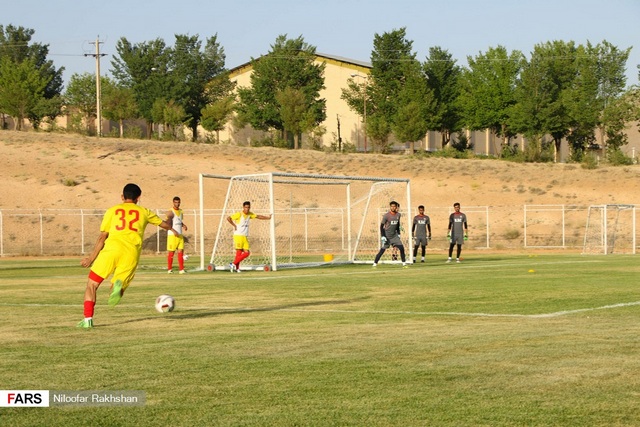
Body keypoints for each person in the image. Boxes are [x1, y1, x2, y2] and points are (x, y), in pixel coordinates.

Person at [77, 183, 179, 329]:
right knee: (118, 285)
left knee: (92, 284)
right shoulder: (144, 211)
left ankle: (87, 319)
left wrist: (90, 259)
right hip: (131, 253)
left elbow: (102, 237)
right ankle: (117, 287)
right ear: (138, 198)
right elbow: (166, 226)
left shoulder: (112, 211)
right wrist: (169, 217)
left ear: (122, 197)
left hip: (111, 251)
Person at [226, 201, 272, 272]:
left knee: (246, 253)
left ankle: (234, 265)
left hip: (244, 236)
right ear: (243, 207)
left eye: (248, 207)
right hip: (238, 235)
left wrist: (268, 218)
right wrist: (234, 225)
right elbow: (228, 218)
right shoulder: (239, 214)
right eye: (246, 207)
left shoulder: (250, 214)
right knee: (239, 253)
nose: (247, 209)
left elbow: (258, 216)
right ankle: (236, 267)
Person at [372, 201, 408, 268]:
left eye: (394, 206)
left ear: (396, 207)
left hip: (394, 236)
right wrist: (383, 236)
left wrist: (399, 233)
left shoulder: (398, 215)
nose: (393, 207)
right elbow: (381, 226)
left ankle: (404, 264)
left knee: (401, 248)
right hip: (387, 236)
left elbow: (398, 224)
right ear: (390, 207)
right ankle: (374, 264)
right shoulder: (386, 216)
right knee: (382, 250)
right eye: (392, 206)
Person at [166, 196, 188, 274]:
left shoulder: (181, 211)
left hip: (180, 235)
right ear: (173, 202)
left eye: (178, 202)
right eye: (175, 202)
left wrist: (183, 225)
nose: (177, 204)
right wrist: (173, 231)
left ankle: (181, 269)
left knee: (181, 252)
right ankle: (169, 269)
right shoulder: (170, 212)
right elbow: (167, 224)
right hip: (172, 235)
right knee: (171, 253)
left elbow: (179, 220)